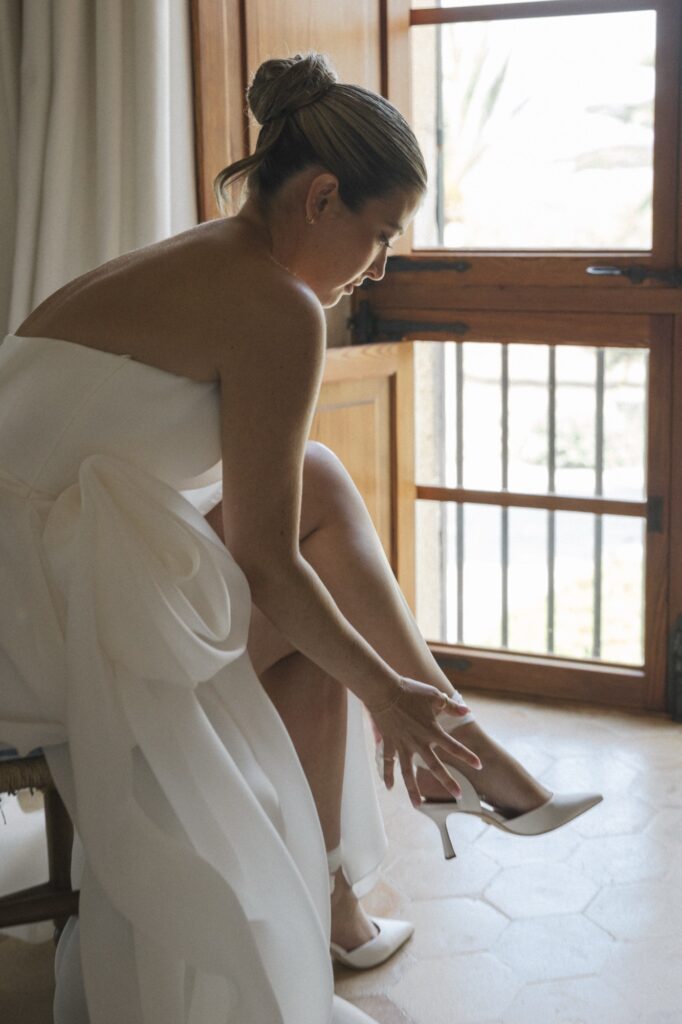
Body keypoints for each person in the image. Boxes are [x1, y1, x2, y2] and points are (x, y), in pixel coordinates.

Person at [0, 52, 600, 1024]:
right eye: (378, 234)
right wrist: (384, 695)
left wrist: (378, 682)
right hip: (26, 624)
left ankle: (396, 803)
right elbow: (266, 564)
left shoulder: (212, 254)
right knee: (315, 591)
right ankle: (441, 753)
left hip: (30, 575)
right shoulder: (274, 307)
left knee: (316, 521)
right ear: (321, 197)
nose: (380, 263)